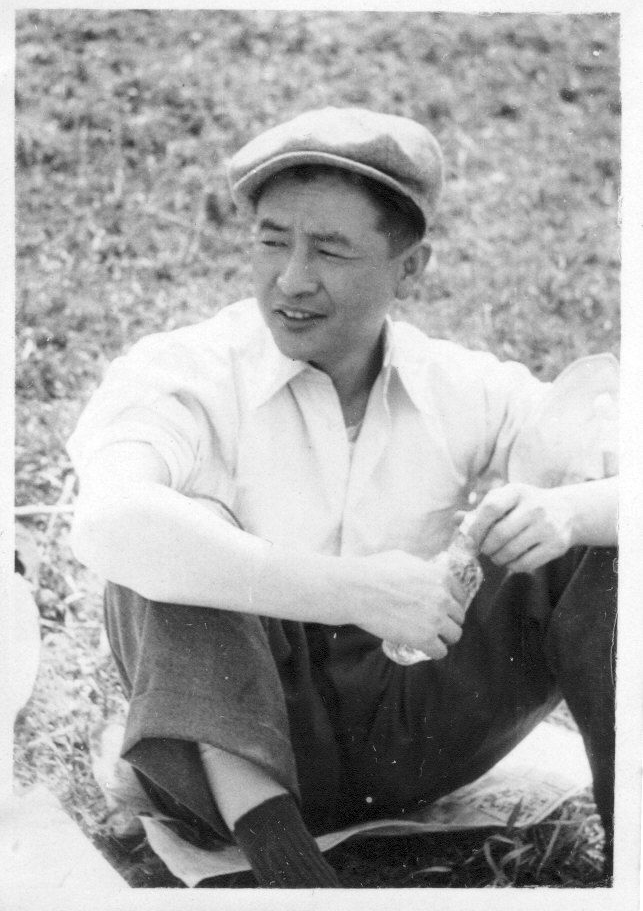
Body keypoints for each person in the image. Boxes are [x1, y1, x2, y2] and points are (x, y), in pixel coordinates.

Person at [68, 107, 618, 888]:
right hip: (226, 753)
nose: (292, 279)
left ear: (410, 269)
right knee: (170, 537)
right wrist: (349, 591)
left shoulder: (458, 385)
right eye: (271, 241)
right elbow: (107, 518)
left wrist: (566, 512)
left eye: (329, 249)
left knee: (601, 540)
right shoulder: (185, 371)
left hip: (416, 731)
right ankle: (288, 869)